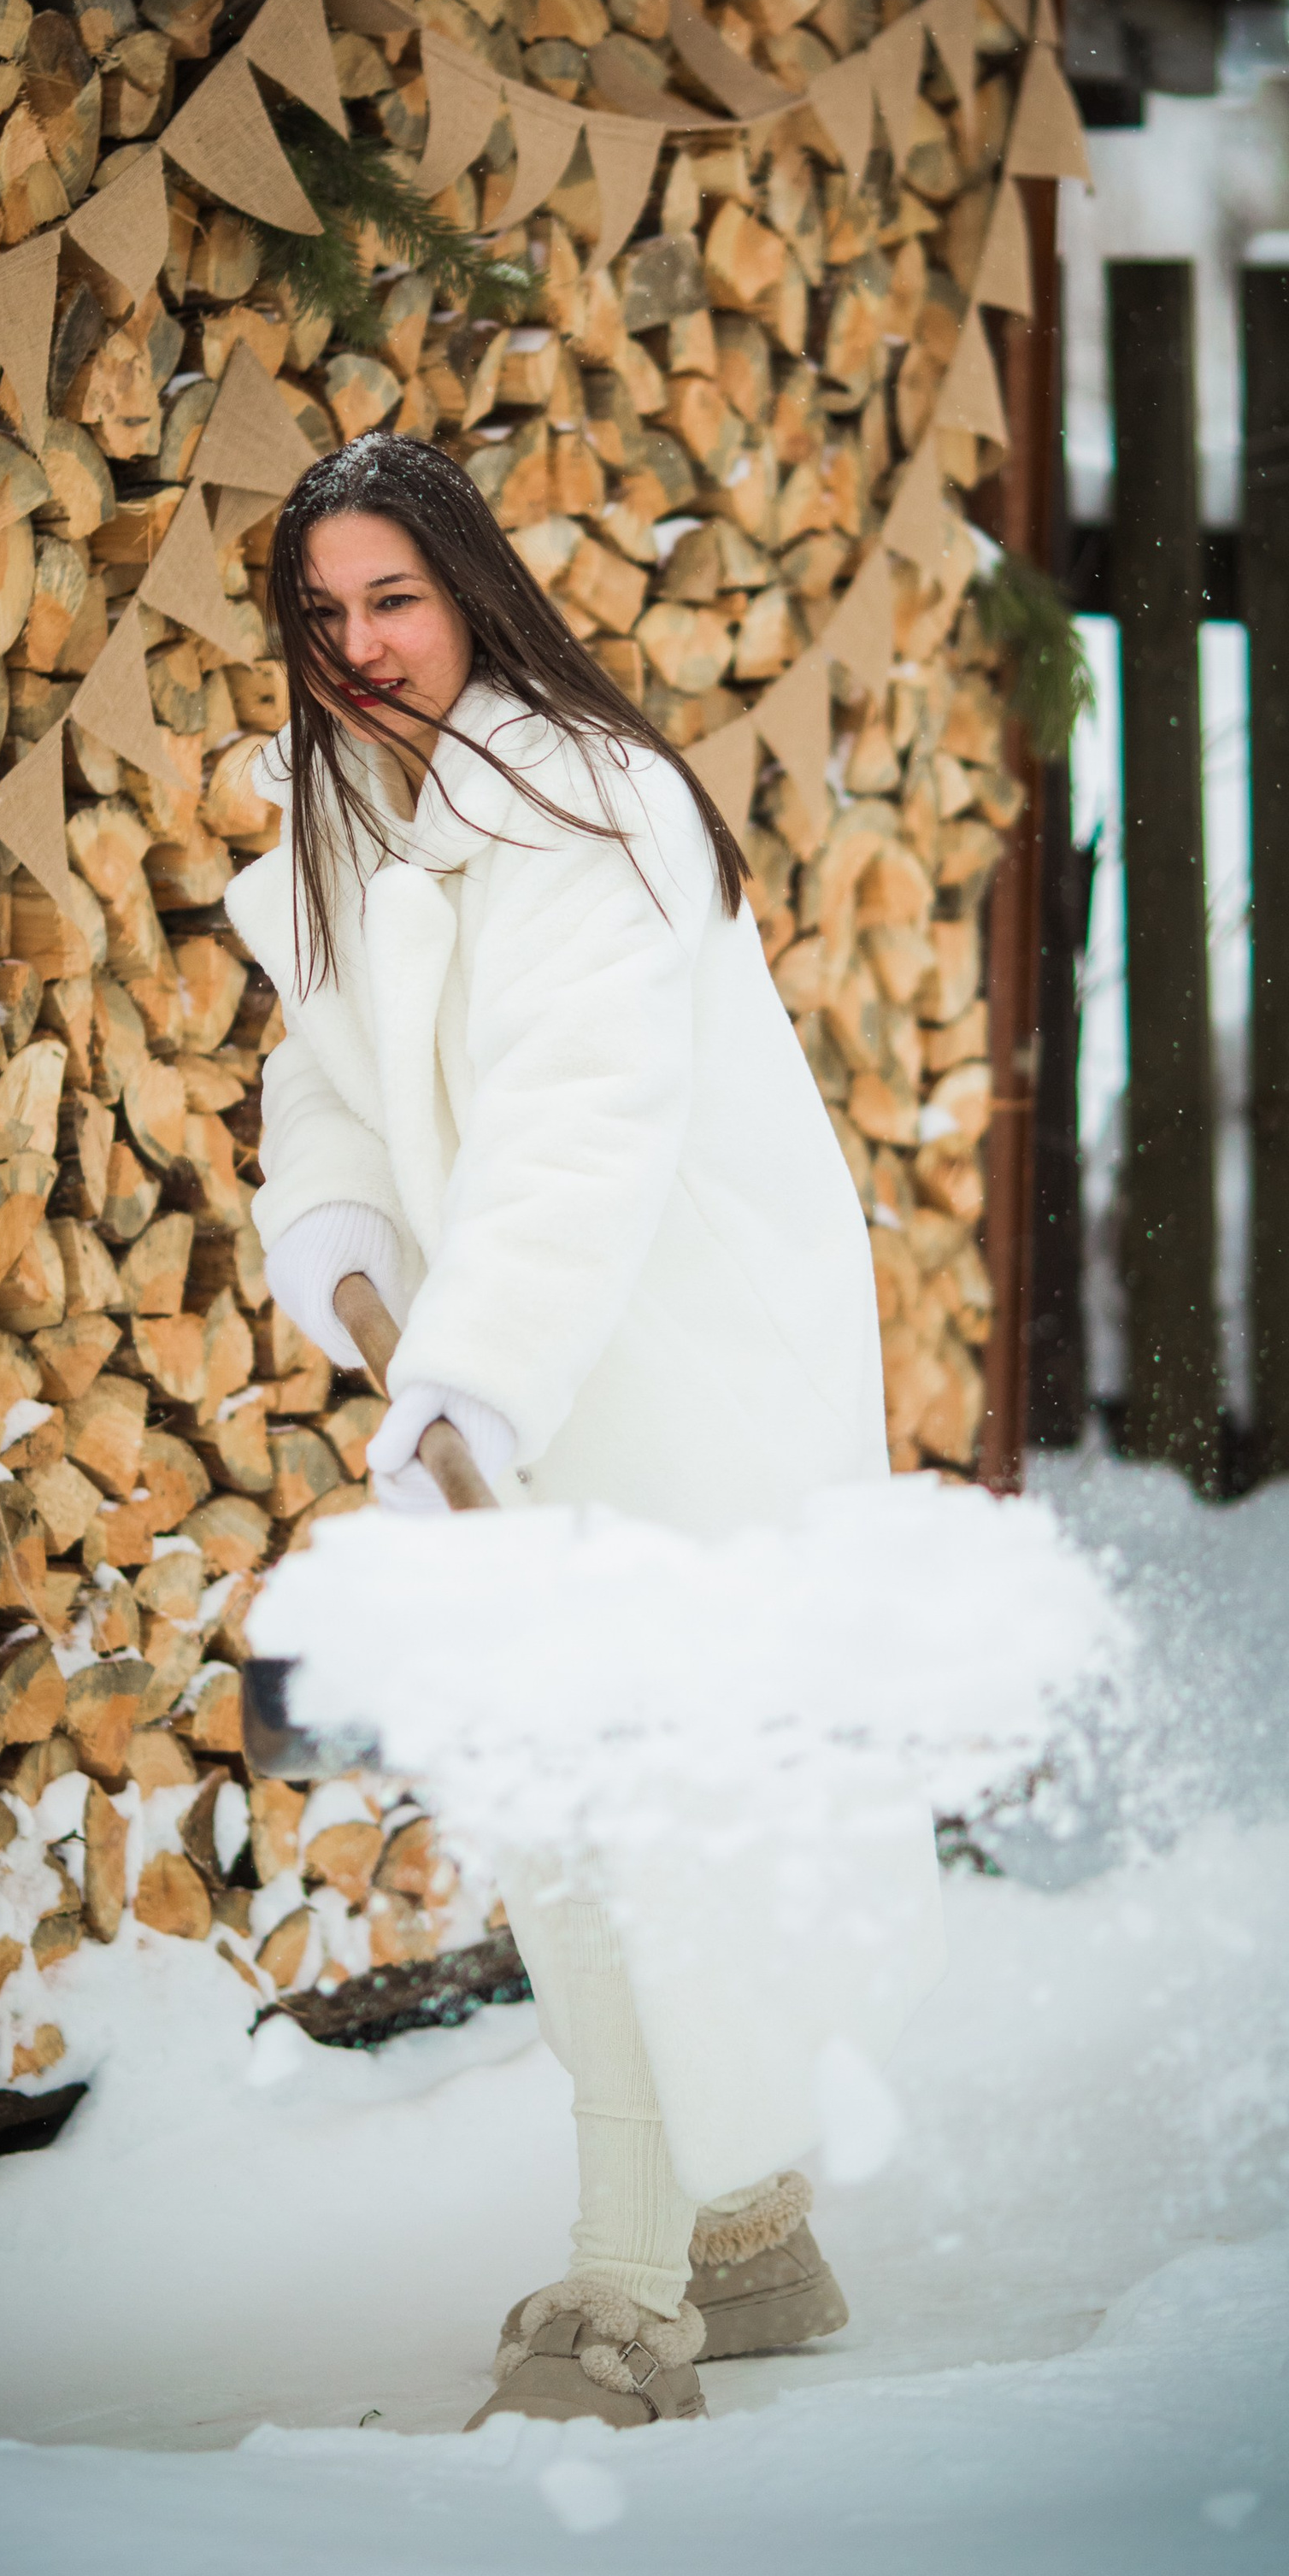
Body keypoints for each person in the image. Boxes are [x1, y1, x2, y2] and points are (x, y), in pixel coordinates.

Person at [226, 432, 919, 2429]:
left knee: (639, 1819)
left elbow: (578, 1127)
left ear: (470, 591)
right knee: (579, 1814)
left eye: (395, 601)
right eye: (322, 611)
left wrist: (467, 1368)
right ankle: (744, 2243)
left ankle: (626, 2299)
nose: (358, 646)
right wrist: (350, 1255)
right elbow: (329, 1095)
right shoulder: (350, 815)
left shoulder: (587, 807)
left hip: (675, 1358)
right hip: (513, 1370)